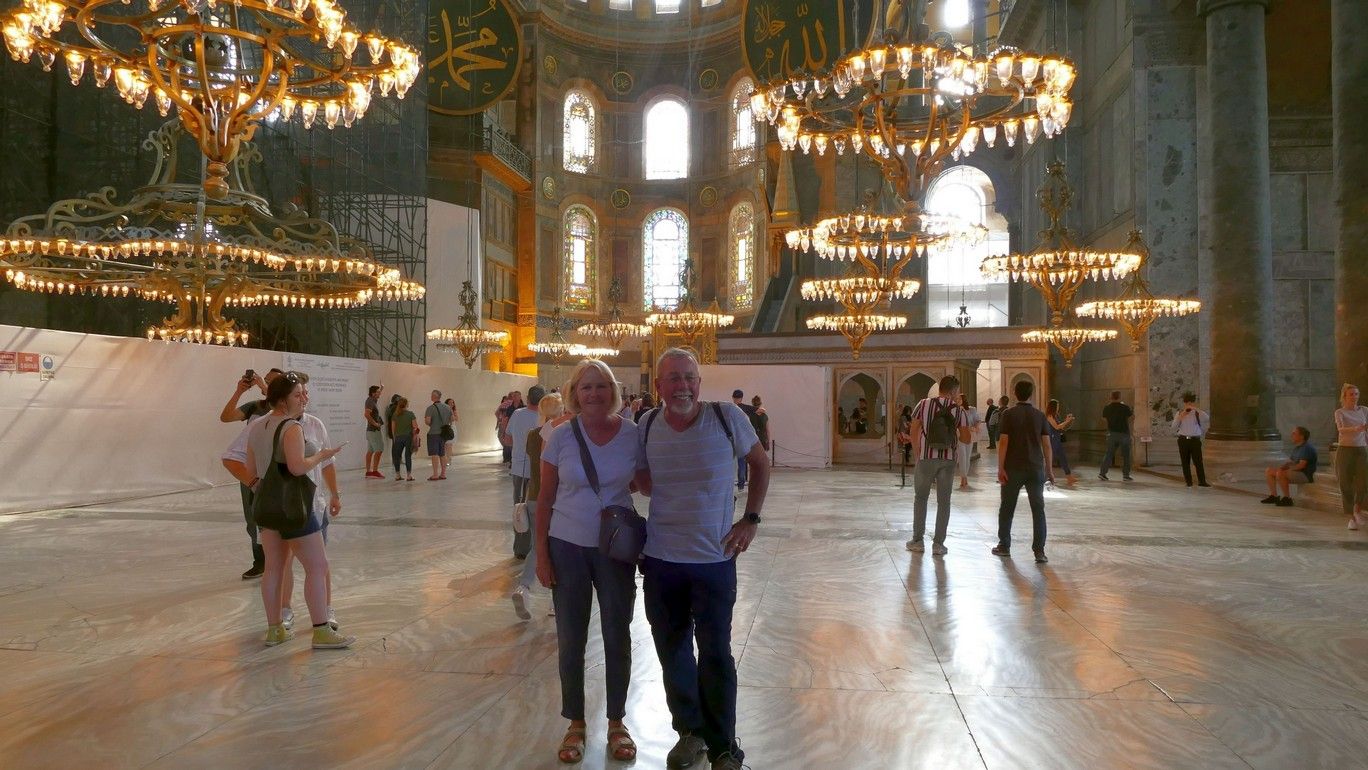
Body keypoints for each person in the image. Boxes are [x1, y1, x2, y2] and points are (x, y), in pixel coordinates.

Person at [634, 348, 768, 770]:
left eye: (689, 377)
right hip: (661, 560)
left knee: (715, 652)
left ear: (699, 382)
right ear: (659, 386)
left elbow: (760, 463)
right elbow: (643, 481)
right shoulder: (647, 424)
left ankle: (723, 747)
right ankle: (689, 733)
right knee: (672, 650)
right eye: (673, 378)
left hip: (714, 559)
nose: (683, 386)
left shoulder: (727, 418)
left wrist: (750, 519)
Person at [535, 360, 641, 764]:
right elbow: (544, 498)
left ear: (612, 391)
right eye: (586, 387)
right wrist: (541, 555)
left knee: (617, 633)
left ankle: (617, 721)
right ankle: (575, 722)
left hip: (615, 549)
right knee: (570, 638)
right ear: (575, 393)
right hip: (567, 546)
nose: (594, 393)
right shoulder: (560, 436)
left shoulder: (631, 433)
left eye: (601, 386)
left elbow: (643, 481)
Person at [243, 373, 353, 649]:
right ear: (282, 400)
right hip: (295, 507)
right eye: (297, 394)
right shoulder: (292, 427)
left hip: (267, 508)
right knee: (318, 566)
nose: (304, 398)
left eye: (304, 393)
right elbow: (297, 467)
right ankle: (321, 631)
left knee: (274, 569)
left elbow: (250, 470)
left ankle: (275, 630)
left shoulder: (256, 426)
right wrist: (321, 456)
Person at [512, 391, 570, 620]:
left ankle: (523, 587)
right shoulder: (563, 432)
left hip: (534, 496)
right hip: (556, 498)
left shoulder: (533, 435)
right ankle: (556, 602)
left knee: (538, 547)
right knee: (560, 549)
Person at [904, 375, 973, 556]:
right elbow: (966, 439)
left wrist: (917, 452)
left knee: (921, 498)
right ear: (953, 391)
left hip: (926, 458)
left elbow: (914, 429)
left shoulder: (923, 404)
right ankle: (938, 545)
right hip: (948, 460)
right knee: (944, 502)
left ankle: (917, 541)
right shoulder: (958, 410)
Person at [992, 379, 1054, 563]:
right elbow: (1047, 445)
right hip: (1035, 468)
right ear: (1031, 394)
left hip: (1013, 468)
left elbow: (1004, 442)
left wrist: (1000, 468)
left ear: (1014, 393)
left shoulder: (1008, 414)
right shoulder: (1040, 415)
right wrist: (1049, 470)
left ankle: (1004, 545)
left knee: (1007, 507)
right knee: (1038, 509)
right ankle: (1039, 551)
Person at [508, 386, 545, 558]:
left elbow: (508, 438)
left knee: (520, 509)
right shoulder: (545, 418)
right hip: (540, 470)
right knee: (538, 510)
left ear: (528, 398)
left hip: (519, 469)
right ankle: (539, 549)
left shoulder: (517, 414)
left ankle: (521, 549)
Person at [1332, 383, 1367, 530]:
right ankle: (1351, 517)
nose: (1354, 397)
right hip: (1345, 450)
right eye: (1351, 394)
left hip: (1361, 449)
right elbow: (1341, 429)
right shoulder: (1340, 412)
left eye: (1356, 394)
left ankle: (1357, 510)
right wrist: (1356, 428)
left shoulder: (1364, 410)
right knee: (1345, 483)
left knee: (1363, 481)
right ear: (1345, 397)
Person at [1261, 426, 1318, 507]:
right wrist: (1284, 467)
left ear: (1301, 436)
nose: (1291, 435)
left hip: (1305, 475)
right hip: (1297, 472)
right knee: (1269, 471)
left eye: (1294, 433)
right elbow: (1291, 462)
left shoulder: (1306, 448)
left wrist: (1286, 469)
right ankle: (1274, 496)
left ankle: (1287, 498)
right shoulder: (1297, 448)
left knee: (1281, 473)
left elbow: (1301, 466)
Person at [1170, 392, 1210, 488]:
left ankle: (1202, 481)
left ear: (1193, 403)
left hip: (1195, 440)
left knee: (1198, 461)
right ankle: (1188, 482)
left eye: (1191, 402)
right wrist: (1181, 416)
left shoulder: (1197, 413)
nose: (1189, 404)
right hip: (1183, 440)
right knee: (1185, 461)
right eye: (1187, 403)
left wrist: (1196, 409)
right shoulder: (1180, 413)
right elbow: (1173, 427)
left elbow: (1207, 418)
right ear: (1184, 403)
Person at [219, 367, 284, 423]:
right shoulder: (256, 405)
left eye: (271, 382)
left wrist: (264, 386)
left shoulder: (286, 407)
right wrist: (239, 392)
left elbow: (277, 407)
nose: (265, 382)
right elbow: (226, 417)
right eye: (265, 379)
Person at [1099, 390, 1134, 481]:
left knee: (1109, 454)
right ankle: (1126, 475)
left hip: (1112, 433)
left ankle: (1102, 473)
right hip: (1124, 433)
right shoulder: (1125, 407)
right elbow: (1130, 418)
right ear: (1119, 397)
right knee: (1126, 455)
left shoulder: (1107, 407)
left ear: (1111, 397)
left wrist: (1111, 423)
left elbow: (1104, 419)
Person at [1045, 399, 1079, 487]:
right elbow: (1056, 427)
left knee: (1063, 457)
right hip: (1053, 439)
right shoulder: (1049, 416)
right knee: (1050, 459)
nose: (1058, 408)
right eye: (1057, 406)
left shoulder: (1056, 415)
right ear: (1053, 407)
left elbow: (1061, 426)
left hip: (1057, 439)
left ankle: (1069, 476)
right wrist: (1067, 421)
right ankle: (1045, 477)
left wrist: (1067, 420)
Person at [732, 389, 760, 490]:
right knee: (742, 462)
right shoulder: (744, 407)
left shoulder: (730, 408)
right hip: (742, 438)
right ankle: (741, 484)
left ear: (733, 398)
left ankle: (733, 482)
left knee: (731, 462)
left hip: (732, 438)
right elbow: (760, 410)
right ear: (741, 398)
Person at [424, 390, 454, 481]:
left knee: (434, 454)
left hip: (433, 433)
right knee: (442, 454)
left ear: (434, 396)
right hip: (443, 434)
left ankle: (435, 474)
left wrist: (433, 424)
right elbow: (452, 419)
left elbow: (427, 421)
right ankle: (443, 474)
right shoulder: (447, 407)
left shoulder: (430, 408)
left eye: (431, 395)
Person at [389, 396, 419, 481]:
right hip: (408, 437)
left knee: (397, 456)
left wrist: (394, 438)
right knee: (407, 456)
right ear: (406, 404)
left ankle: (397, 475)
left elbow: (393, 429)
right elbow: (415, 427)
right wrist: (415, 436)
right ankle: (409, 476)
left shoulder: (395, 415)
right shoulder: (410, 414)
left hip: (398, 437)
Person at [956, 393, 980, 489]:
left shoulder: (972, 409)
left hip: (970, 435)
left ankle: (965, 476)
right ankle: (963, 477)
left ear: (963, 400)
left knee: (967, 456)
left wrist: (976, 428)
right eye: (956, 399)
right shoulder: (955, 410)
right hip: (959, 435)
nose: (957, 400)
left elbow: (977, 420)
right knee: (962, 456)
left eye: (959, 399)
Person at [364, 384, 385, 479]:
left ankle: (368, 472)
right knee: (379, 450)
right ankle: (375, 471)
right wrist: (375, 424)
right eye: (378, 392)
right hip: (373, 431)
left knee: (370, 451)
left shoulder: (372, 400)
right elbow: (366, 414)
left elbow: (377, 396)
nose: (379, 393)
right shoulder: (370, 401)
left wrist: (382, 388)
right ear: (373, 393)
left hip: (371, 431)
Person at [443, 397, 460, 473]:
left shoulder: (453, 411)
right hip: (445, 428)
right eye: (450, 403)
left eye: (453, 403)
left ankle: (449, 459)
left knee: (449, 445)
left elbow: (455, 419)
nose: (452, 404)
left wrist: (451, 412)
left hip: (452, 428)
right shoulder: (444, 410)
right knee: (445, 445)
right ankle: (445, 459)